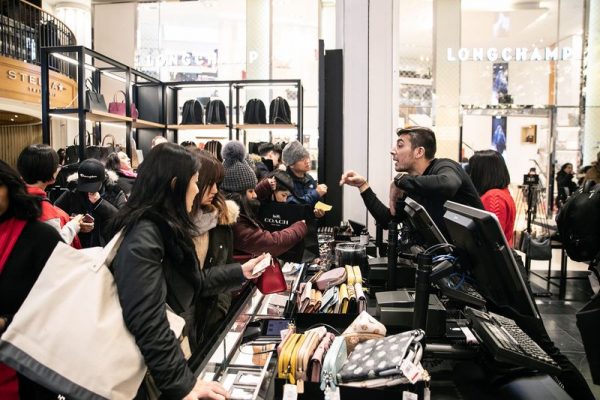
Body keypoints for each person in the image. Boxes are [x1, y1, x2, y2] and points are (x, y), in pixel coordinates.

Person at [109, 143, 265, 399]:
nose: (201, 190)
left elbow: (193, 281)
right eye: (195, 182)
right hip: (145, 368)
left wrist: (239, 272)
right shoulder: (146, 234)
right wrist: (183, 384)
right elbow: (148, 318)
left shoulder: (165, 229)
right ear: (174, 185)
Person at [340, 126, 483, 237]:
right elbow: (388, 220)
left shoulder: (445, 166)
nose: (393, 151)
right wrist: (363, 186)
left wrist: (400, 180)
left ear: (419, 152)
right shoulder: (413, 184)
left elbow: (449, 184)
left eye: (400, 145)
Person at [0, 160, 62, 400]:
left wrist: (8, 322)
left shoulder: (40, 237)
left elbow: (63, 302)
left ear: (9, 187)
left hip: (26, 371)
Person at [189, 150, 241, 347]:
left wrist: (220, 310)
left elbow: (225, 265)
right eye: (209, 184)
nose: (214, 191)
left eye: (217, 184)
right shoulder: (170, 227)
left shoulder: (221, 221)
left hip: (210, 320)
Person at [220, 141, 307, 257]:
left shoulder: (233, 207)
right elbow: (270, 244)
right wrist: (299, 228)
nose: (254, 195)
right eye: (251, 191)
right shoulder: (234, 222)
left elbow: (248, 200)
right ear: (238, 194)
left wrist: (264, 187)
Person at [16, 144, 85, 248]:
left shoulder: (12, 198)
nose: (58, 169)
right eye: (57, 167)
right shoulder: (43, 210)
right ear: (51, 176)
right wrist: (74, 225)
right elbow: (57, 245)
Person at [55, 159, 125, 248]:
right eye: (85, 186)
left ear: (103, 179)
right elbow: (56, 214)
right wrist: (73, 223)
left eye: (93, 186)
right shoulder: (73, 190)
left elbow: (122, 220)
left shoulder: (114, 191)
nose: (88, 190)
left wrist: (100, 203)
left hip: (106, 248)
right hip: (78, 249)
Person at [468, 150, 516, 246]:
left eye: (472, 170)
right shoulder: (500, 193)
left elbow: (492, 241)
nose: (470, 175)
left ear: (481, 173)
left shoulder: (494, 197)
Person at [281, 140, 328, 213]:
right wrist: (316, 193)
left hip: (310, 222)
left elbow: (315, 203)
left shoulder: (309, 178)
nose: (307, 161)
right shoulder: (284, 180)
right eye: (302, 159)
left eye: (307, 157)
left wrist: (317, 211)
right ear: (291, 164)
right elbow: (292, 205)